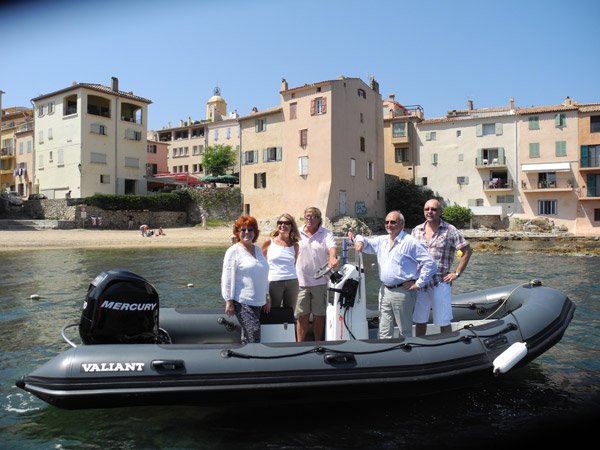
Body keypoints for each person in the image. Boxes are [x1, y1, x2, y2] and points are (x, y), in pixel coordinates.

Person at [355, 211, 436, 338]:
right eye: (387, 222)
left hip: (403, 292)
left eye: (393, 222)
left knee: (404, 331)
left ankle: (406, 356)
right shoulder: (382, 241)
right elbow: (364, 240)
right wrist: (359, 241)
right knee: (383, 331)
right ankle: (385, 355)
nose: (389, 225)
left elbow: (430, 264)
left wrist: (418, 283)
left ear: (402, 224)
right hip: (384, 290)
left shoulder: (411, 242)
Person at [411, 199, 473, 336]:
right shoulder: (416, 231)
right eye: (427, 209)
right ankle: (421, 347)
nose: (429, 212)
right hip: (420, 283)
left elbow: (467, 251)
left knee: (443, 322)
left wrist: (457, 273)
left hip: (440, 282)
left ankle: (447, 347)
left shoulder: (450, 230)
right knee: (419, 321)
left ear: (440, 211)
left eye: (433, 209)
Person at [221, 216, 269, 344]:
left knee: (248, 335)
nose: (247, 232)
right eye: (243, 229)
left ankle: (247, 357)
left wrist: (266, 296)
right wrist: (229, 300)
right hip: (242, 301)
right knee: (254, 331)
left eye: (250, 229)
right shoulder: (233, 251)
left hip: (258, 301)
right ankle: (254, 359)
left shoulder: (258, 250)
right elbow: (227, 276)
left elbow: (263, 273)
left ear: (255, 232)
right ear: (238, 232)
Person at [295, 207, 337, 342]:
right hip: (300, 283)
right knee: (302, 316)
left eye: (313, 216)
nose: (309, 219)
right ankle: (300, 345)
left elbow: (332, 248)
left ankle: (318, 343)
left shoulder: (326, 234)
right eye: (307, 216)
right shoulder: (297, 233)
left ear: (319, 219)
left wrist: (332, 258)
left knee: (319, 316)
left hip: (320, 282)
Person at [261, 214, 300, 311]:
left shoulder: (295, 245)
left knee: (289, 312)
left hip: (292, 282)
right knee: (271, 311)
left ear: (292, 226)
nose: (283, 225)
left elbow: (293, 264)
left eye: (286, 223)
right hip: (274, 282)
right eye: (280, 223)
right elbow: (259, 263)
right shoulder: (269, 241)